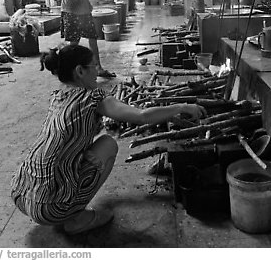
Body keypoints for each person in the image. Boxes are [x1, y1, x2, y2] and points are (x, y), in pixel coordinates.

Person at [11, 44, 206, 234]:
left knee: (76, 151)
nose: (97, 71)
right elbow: (142, 116)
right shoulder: (93, 97)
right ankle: (76, 218)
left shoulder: (58, 96)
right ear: (80, 71)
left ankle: (63, 199)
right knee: (108, 145)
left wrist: (167, 114)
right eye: (93, 66)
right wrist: (183, 107)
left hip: (22, 194)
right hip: (51, 209)